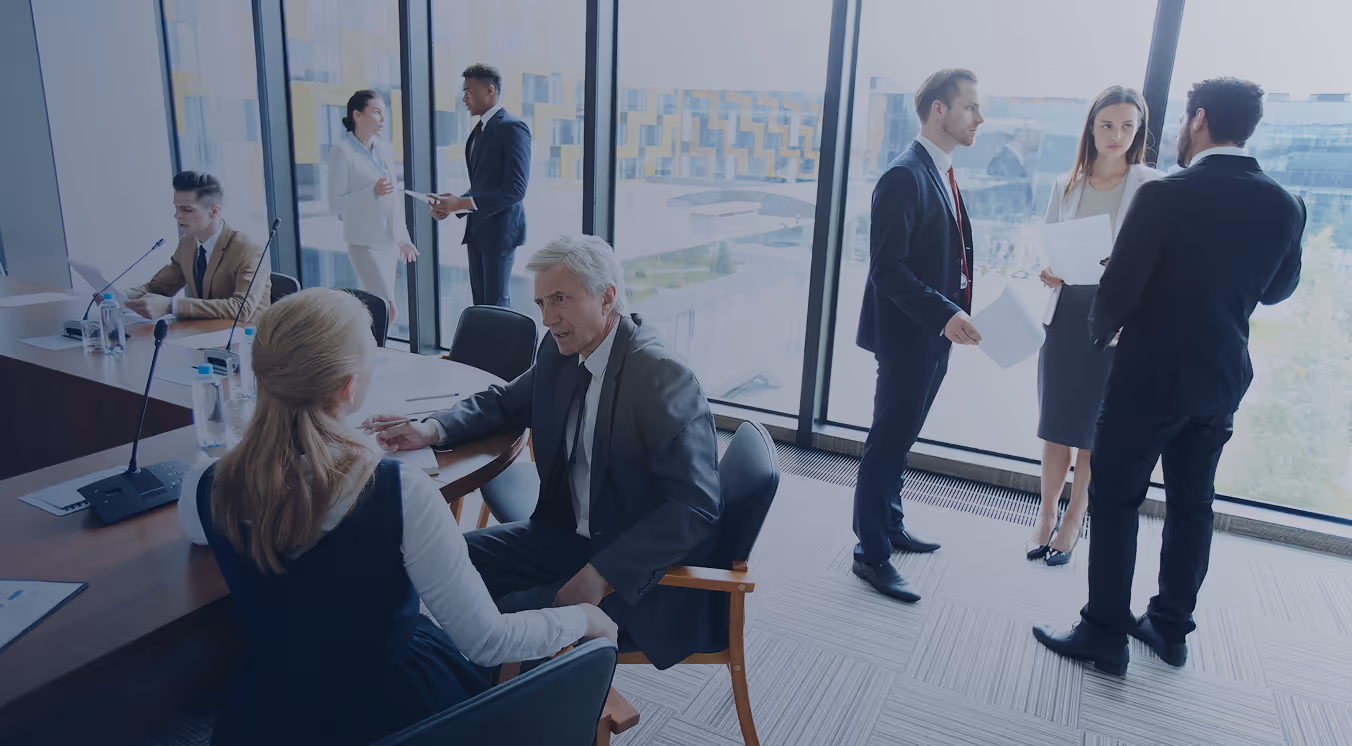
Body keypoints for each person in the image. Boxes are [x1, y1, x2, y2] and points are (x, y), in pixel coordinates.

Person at [178, 287, 616, 745]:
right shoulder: (398, 492)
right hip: (393, 706)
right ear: (348, 388)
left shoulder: (209, 483)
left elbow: (202, 533)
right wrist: (584, 618)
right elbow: (487, 640)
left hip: (272, 706)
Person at [1034, 78, 1305, 675]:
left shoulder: (1164, 196)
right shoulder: (1286, 204)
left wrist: (1102, 330)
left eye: (1185, 118)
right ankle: (1170, 626)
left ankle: (1104, 631)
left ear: (1200, 119)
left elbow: (1118, 294)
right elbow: (1280, 289)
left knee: (1116, 499)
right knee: (1191, 505)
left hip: (1148, 377)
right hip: (1220, 378)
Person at [366, 235, 723, 670]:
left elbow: (696, 506)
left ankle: (506, 709)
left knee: (503, 629)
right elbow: (504, 403)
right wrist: (430, 429)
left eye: (561, 299)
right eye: (540, 302)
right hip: (561, 536)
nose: (549, 318)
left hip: (632, 570)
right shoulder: (561, 349)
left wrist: (602, 572)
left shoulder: (661, 376)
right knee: (436, 564)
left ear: (607, 297)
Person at [851, 69, 984, 603]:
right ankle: (870, 551)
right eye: (971, 107)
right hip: (910, 335)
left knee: (902, 436)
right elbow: (888, 269)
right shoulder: (904, 176)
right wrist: (945, 313)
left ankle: (892, 523)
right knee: (887, 441)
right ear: (938, 110)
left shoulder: (942, 172)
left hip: (935, 334)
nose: (979, 118)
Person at [1030, 87, 1163, 566]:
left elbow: (1157, 263)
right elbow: (1048, 248)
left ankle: (1073, 518)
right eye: (1107, 124)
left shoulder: (1150, 185)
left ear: (1138, 131)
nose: (1117, 135)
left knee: (1092, 431)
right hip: (1066, 314)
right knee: (1056, 426)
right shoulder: (1066, 184)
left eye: (1128, 126)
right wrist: (1050, 271)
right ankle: (1045, 513)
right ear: (1091, 127)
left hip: (1114, 323)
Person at [429, 64, 531, 307]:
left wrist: (461, 203)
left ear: (489, 90)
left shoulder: (513, 128)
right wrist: (452, 205)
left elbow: (515, 189)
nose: (464, 98)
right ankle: (485, 346)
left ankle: (499, 347)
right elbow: (482, 185)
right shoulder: (478, 132)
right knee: (481, 304)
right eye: (463, 92)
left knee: (496, 305)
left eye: (469, 92)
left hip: (500, 232)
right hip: (477, 232)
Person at [123, 171, 270, 321]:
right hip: (205, 334)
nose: (178, 216)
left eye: (187, 209)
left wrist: (172, 306)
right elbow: (157, 288)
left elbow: (242, 309)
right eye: (177, 208)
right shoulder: (187, 243)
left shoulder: (248, 249)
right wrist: (119, 298)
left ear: (214, 211)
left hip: (248, 338)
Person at [327, 90, 419, 322]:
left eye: (384, 113)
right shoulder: (342, 152)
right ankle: (371, 352)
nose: (383, 119)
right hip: (363, 244)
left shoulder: (384, 148)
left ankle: (373, 352)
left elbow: (393, 200)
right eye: (376, 112)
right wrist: (371, 192)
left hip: (388, 243)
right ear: (357, 115)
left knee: (379, 311)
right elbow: (335, 202)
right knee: (388, 308)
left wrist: (404, 239)